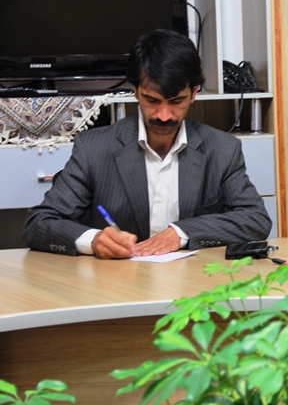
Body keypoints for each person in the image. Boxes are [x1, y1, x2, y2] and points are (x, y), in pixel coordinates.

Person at [23, 29, 272, 258]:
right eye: (152, 100)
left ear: (194, 93)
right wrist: (93, 240)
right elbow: (39, 224)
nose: (163, 115)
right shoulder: (94, 148)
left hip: (192, 282)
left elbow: (255, 220)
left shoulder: (222, 149)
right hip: (115, 282)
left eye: (176, 101)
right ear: (135, 90)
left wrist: (182, 233)